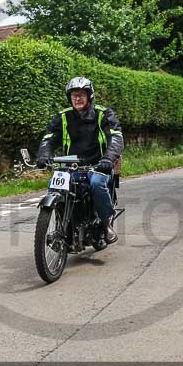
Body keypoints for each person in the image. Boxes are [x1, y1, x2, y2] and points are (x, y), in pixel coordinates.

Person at [36, 77, 124, 244]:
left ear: (89, 96)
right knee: (54, 185)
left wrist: (108, 159)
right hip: (71, 166)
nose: (77, 98)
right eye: (74, 95)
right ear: (69, 97)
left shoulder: (103, 114)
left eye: (81, 95)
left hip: (98, 164)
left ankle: (106, 224)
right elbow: (48, 138)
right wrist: (44, 155)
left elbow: (116, 138)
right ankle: (64, 227)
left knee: (97, 183)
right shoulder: (63, 117)